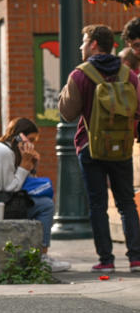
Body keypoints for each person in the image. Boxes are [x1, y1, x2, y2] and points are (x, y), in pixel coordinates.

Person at [58, 24, 140, 273]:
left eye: (83, 41)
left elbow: (68, 113)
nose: (80, 46)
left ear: (94, 44)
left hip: (90, 147)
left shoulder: (80, 75)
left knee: (97, 205)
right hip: (122, 147)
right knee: (127, 202)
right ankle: (136, 258)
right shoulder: (129, 75)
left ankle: (106, 259)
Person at [0, 117, 70, 272]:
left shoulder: (4, 149)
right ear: (20, 136)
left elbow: (21, 186)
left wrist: (30, 165)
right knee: (46, 206)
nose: (32, 144)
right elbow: (11, 187)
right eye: (31, 139)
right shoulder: (3, 152)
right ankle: (42, 257)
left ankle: (33, 254)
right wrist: (24, 166)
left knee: (41, 201)